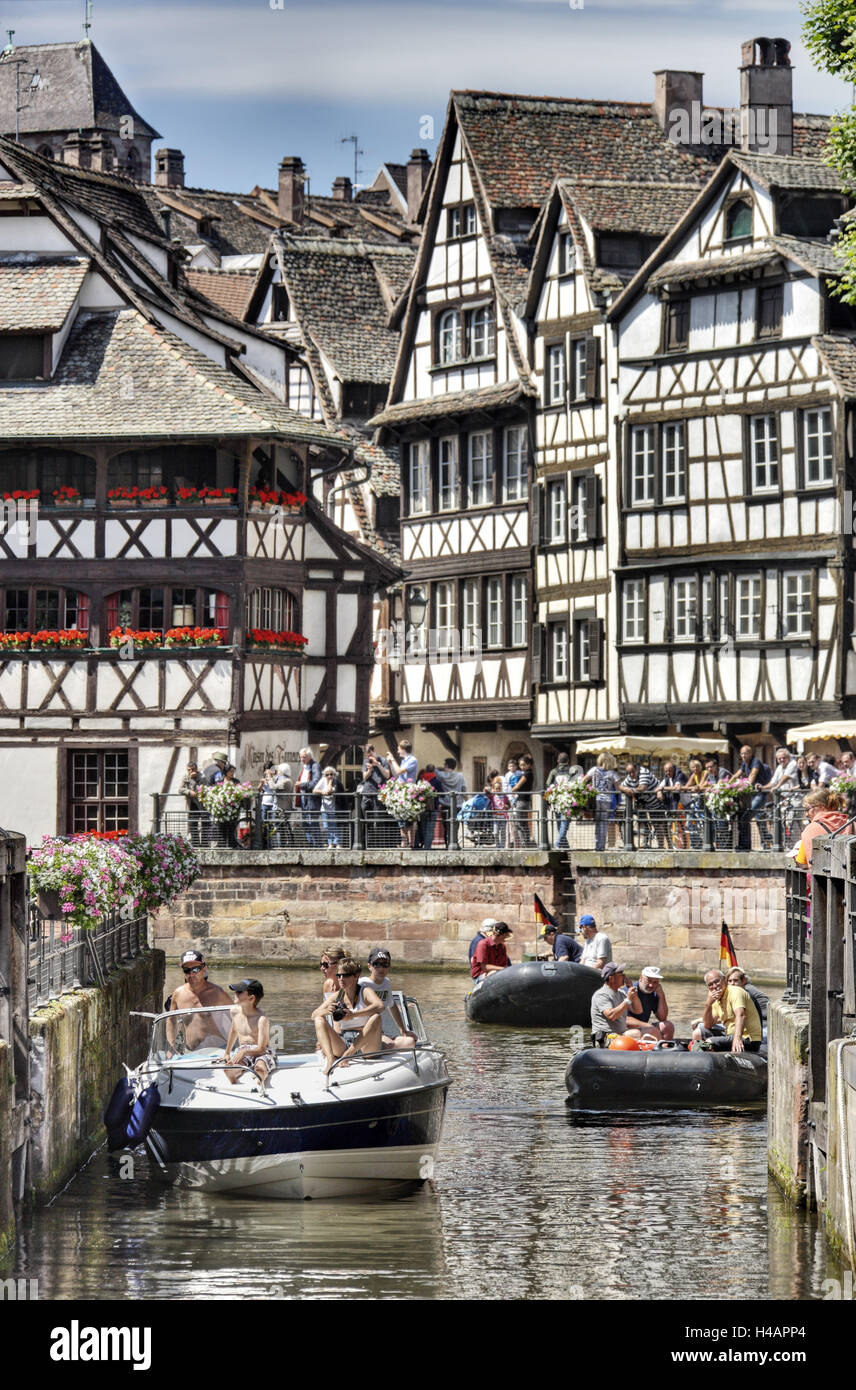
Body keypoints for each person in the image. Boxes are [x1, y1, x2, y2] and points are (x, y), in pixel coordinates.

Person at [311, 956, 384, 1073]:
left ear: (356, 976)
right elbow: (314, 1014)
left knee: (376, 1017)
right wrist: (328, 1011)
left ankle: (348, 1055)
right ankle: (330, 1058)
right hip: (344, 1041)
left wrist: (353, 1015)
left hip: (367, 1044)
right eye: (338, 975)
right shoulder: (337, 996)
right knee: (319, 1019)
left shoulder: (365, 991)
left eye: (345, 975)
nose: (341, 979)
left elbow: (380, 1006)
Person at [167, 950, 233, 1052]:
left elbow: (238, 1017)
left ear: (204, 969)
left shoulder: (218, 993)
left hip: (219, 1050)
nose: (191, 974)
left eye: (195, 969)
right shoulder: (178, 994)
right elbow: (171, 1020)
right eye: (186, 970)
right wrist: (171, 1046)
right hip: (191, 1052)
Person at [219, 979, 276, 1087]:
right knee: (232, 1066)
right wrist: (227, 1053)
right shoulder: (235, 1012)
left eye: (239, 992)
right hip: (243, 1049)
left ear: (251, 998)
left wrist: (244, 1052)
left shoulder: (261, 1019)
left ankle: (260, 1078)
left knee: (260, 1065)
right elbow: (234, 1031)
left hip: (261, 1051)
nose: (235, 993)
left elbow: (262, 1049)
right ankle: (233, 1075)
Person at [358, 948, 418, 1049]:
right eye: (377, 964)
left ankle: (387, 1045)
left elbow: (392, 1006)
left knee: (410, 1041)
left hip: (380, 1032)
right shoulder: (361, 983)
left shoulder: (386, 982)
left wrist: (403, 1030)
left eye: (385, 964)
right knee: (390, 1043)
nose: (381, 968)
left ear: (389, 966)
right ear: (369, 966)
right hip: (362, 1031)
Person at [693, 968, 762, 1053]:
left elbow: (741, 1015)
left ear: (724, 979)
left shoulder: (735, 991)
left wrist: (737, 1038)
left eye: (716, 981)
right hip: (729, 1035)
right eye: (710, 984)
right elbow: (707, 1025)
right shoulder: (716, 999)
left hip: (748, 1039)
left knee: (708, 1043)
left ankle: (703, 1056)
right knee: (698, 1033)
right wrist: (708, 1004)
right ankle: (698, 1059)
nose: (714, 986)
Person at [590, 962, 649, 1046]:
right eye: (620, 974)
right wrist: (628, 1000)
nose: (624, 976)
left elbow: (638, 1010)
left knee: (651, 1030)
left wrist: (632, 992)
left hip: (621, 1034)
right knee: (636, 1033)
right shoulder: (601, 995)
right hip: (606, 1038)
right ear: (611, 978)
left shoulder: (621, 993)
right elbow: (611, 1016)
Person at [792, 787, 851, 864]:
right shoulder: (853, 824)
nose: (806, 814)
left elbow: (803, 864)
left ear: (821, 807)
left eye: (807, 809)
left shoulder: (811, 829)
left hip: (822, 875)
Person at [734, 744, 771, 850]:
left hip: (760, 795)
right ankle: (766, 844)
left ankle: (745, 845)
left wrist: (746, 784)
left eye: (745, 753)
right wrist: (727, 784)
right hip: (753, 796)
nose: (743, 755)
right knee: (760, 821)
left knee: (746, 817)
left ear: (750, 753)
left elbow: (753, 775)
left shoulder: (755, 761)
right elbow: (737, 774)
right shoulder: (744, 764)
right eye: (742, 753)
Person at [584, 752, 621, 851]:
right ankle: (601, 846)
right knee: (603, 824)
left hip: (595, 799)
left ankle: (597, 846)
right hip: (607, 800)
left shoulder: (594, 770)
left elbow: (583, 781)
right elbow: (618, 789)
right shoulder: (613, 773)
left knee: (597, 823)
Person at [627, 965, 675, 1040]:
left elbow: (662, 1018)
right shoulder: (630, 991)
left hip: (645, 1027)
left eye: (655, 982)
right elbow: (624, 1019)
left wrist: (661, 996)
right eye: (648, 981)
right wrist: (647, 1026)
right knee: (652, 1030)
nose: (651, 985)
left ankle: (664, 1049)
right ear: (641, 978)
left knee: (668, 1026)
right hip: (627, 1030)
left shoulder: (653, 992)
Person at [618, 762, 659, 847]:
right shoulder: (630, 776)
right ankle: (643, 842)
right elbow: (620, 786)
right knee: (641, 820)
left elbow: (642, 787)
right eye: (629, 773)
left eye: (633, 772)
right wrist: (626, 789)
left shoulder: (644, 772)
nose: (631, 774)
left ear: (637, 769)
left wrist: (630, 790)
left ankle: (662, 846)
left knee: (658, 823)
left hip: (654, 800)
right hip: (642, 801)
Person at [359, 744, 391, 846]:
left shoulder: (383, 761)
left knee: (379, 820)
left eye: (370, 754)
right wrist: (370, 770)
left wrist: (378, 764)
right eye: (367, 755)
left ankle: (379, 844)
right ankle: (367, 843)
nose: (369, 757)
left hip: (379, 794)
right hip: (367, 793)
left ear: (374, 751)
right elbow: (364, 777)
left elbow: (387, 775)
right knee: (365, 819)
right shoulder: (365, 761)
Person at [389, 740, 419, 848]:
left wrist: (393, 760)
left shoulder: (412, 760)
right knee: (401, 818)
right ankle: (404, 843)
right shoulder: (403, 761)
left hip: (408, 791)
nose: (398, 752)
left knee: (410, 819)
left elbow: (399, 771)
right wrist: (391, 763)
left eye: (399, 749)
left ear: (403, 749)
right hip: (401, 790)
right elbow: (397, 775)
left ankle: (411, 843)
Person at [726, 966, 768, 1033]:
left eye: (735, 980)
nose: (732, 983)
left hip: (763, 1025)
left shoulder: (746, 992)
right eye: (730, 981)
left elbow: (741, 1016)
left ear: (743, 981)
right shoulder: (737, 991)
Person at [655, 761, 687, 848]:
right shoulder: (666, 777)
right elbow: (658, 787)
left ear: (674, 769)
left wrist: (663, 788)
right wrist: (659, 792)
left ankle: (684, 846)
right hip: (673, 804)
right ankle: (672, 845)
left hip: (683, 804)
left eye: (669, 770)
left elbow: (676, 788)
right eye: (666, 771)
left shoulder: (679, 775)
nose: (668, 773)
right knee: (672, 825)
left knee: (682, 827)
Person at [546, 752, 573, 849]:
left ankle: (559, 844)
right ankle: (563, 844)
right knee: (564, 823)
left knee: (560, 823)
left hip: (556, 800)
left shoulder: (553, 771)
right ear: (568, 761)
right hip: (569, 800)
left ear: (558, 761)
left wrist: (547, 801)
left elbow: (548, 785)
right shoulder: (571, 770)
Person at [314, 764, 346, 847]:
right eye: (327, 774)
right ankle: (330, 843)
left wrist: (330, 781)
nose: (329, 776)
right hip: (324, 808)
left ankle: (338, 843)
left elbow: (329, 790)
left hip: (335, 808)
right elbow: (314, 790)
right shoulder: (322, 780)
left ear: (334, 775)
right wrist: (321, 792)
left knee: (335, 826)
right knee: (327, 826)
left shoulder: (337, 782)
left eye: (331, 774)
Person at [295, 746, 322, 847]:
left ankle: (316, 846)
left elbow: (315, 782)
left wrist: (301, 784)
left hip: (311, 798)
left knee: (312, 822)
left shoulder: (315, 766)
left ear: (310, 756)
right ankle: (310, 844)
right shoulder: (304, 767)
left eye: (304, 757)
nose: (302, 759)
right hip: (303, 797)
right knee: (306, 822)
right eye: (301, 757)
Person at [437, 757, 467, 845]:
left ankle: (448, 844)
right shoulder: (460, 776)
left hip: (445, 803)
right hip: (458, 804)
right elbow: (464, 789)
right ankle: (455, 843)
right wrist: (466, 800)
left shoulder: (442, 775)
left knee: (446, 825)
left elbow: (434, 769)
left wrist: (442, 769)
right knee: (455, 825)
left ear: (446, 765)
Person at [415, 763, 442, 849]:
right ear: (434, 770)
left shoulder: (419, 781)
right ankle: (427, 847)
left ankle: (423, 845)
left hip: (422, 808)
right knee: (430, 830)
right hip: (433, 808)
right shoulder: (436, 781)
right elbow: (442, 793)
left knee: (423, 828)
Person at [513, 753, 535, 847]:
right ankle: (526, 843)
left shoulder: (527, 774)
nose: (522, 767)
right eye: (520, 765)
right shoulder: (529, 773)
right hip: (526, 801)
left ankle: (524, 844)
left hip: (521, 801)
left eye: (524, 765)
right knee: (524, 823)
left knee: (520, 824)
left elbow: (517, 786)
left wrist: (511, 790)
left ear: (529, 764)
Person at [179, 760, 202, 846]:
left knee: (204, 823)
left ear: (196, 769)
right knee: (192, 824)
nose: (190, 771)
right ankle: (195, 843)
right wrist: (188, 792)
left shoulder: (201, 776)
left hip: (200, 804)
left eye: (192, 769)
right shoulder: (186, 777)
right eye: (188, 769)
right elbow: (180, 789)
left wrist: (193, 780)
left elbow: (203, 787)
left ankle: (203, 844)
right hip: (191, 804)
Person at [488, 774, 511, 848]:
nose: (498, 790)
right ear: (494, 789)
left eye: (499, 788)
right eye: (496, 788)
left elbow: (509, 805)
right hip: (496, 817)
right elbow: (485, 792)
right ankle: (498, 846)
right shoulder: (492, 796)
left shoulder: (504, 796)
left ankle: (502, 846)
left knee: (503, 832)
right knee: (496, 832)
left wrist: (506, 806)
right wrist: (489, 789)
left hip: (503, 817)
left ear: (501, 788)